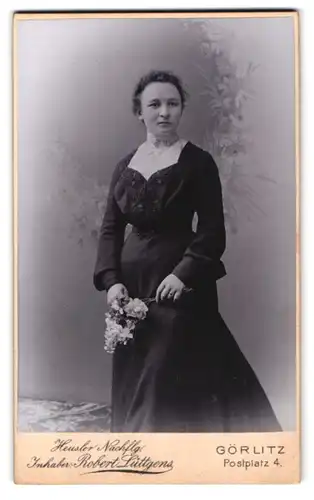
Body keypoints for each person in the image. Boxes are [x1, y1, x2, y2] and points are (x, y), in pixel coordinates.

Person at [93, 70, 281, 433]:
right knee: (138, 369)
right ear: (139, 112)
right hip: (132, 286)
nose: (164, 112)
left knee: (164, 375)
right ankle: (138, 455)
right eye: (155, 104)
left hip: (179, 285)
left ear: (181, 109)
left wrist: (183, 274)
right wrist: (112, 282)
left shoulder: (198, 163)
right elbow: (111, 229)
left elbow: (212, 231)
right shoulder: (124, 165)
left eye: (172, 104)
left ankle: (159, 457)